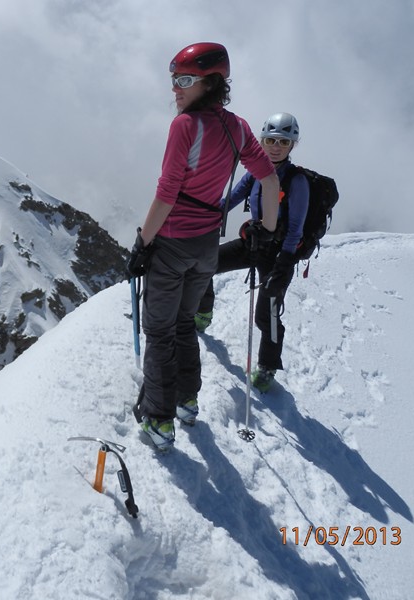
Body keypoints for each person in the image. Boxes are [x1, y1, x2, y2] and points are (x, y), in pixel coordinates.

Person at [126, 42, 280, 451]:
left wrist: (142, 243)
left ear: (209, 82)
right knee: (183, 324)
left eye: (184, 80)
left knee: (159, 330)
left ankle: (158, 421)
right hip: (206, 246)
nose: (174, 89)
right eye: (173, 79)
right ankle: (186, 402)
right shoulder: (238, 127)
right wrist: (266, 229)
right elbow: (268, 180)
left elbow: (166, 194)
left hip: (173, 243)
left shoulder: (184, 127)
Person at [195, 112, 308, 393]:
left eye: (283, 141)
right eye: (270, 140)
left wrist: (284, 263)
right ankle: (203, 312)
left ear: (293, 145)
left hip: (279, 254)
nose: (275, 146)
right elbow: (229, 200)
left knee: (266, 313)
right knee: (204, 264)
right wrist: (204, 217)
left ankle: (268, 366)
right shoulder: (255, 173)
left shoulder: (297, 182)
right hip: (253, 243)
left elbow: (295, 228)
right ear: (261, 140)